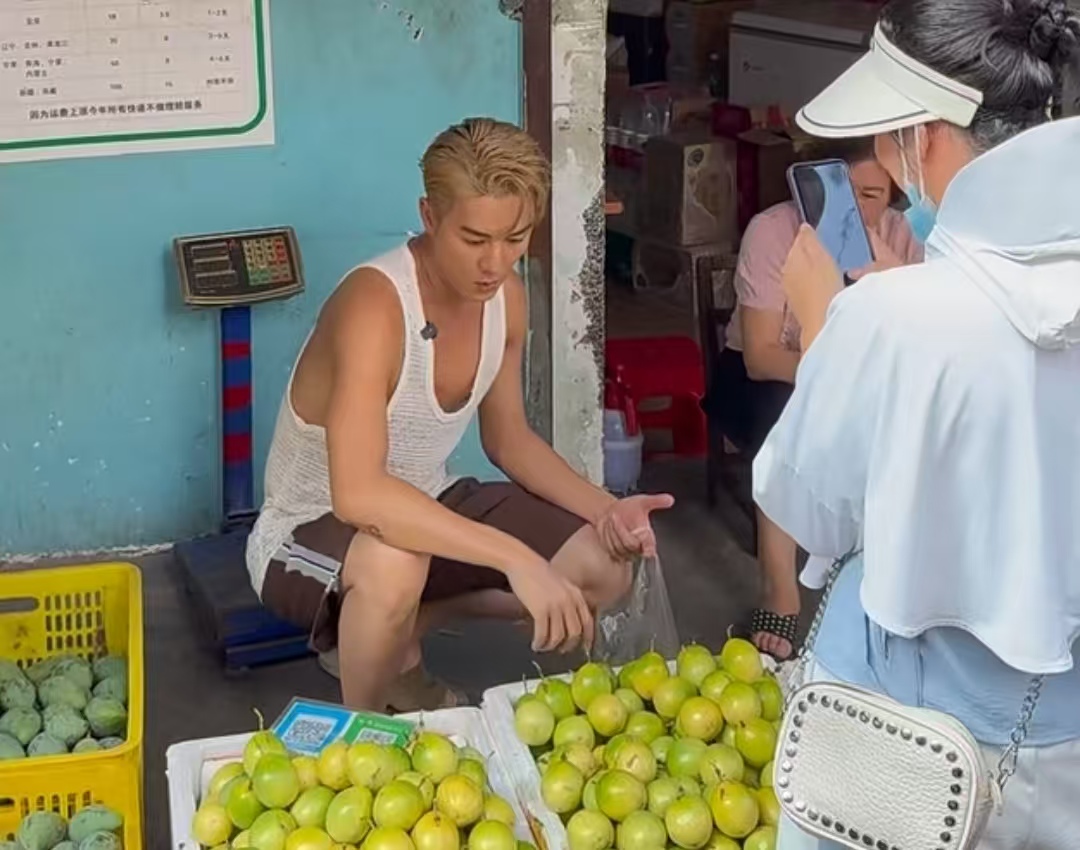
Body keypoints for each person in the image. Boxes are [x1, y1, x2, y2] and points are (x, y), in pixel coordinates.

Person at [752, 0, 1080, 846]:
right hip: (1060, 742)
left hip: (896, 739)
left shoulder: (892, 317)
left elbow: (815, 512)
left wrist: (826, 329)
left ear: (924, 134)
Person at [245, 118, 674, 712]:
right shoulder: (374, 305)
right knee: (393, 561)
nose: (494, 263)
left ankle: (399, 637)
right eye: (474, 240)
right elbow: (359, 496)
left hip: (430, 499)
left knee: (604, 565)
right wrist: (515, 558)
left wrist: (607, 511)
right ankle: (364, 728)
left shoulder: (506, 299)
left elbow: (509, 439)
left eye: (515, 238)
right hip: (309, 529)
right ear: (429, 216)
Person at [708, 139, 922, 661]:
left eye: (871, 195)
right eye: (840, 191)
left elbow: (913, 341)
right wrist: (835, 375)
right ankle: (779, 589)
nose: (854, 208)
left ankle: (885, 576)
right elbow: (761, 357)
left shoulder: (900, 237)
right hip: (768, 377)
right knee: (785, 413)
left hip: (859, 377)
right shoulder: (773, 231)